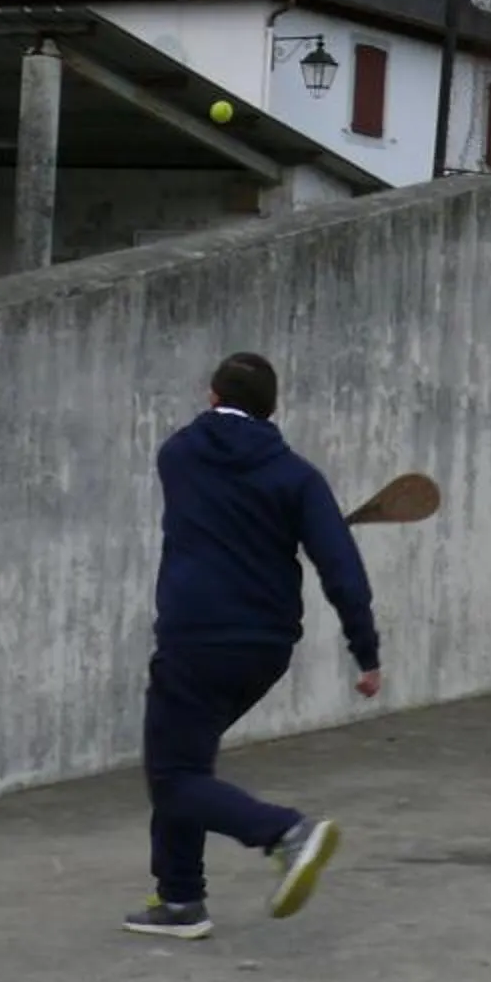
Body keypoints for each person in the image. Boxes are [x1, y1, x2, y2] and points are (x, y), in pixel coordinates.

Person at [123, 353, 383, 939]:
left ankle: (286, 833)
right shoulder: (298, 478)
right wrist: (365, 653)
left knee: (174, 777)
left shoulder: (179, 455)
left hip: (195, 640)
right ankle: (180, 900)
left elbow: (219, 458)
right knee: (187, 765)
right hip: (264, 650)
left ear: (212, 396)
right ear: (274, 410)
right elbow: (340, 569)